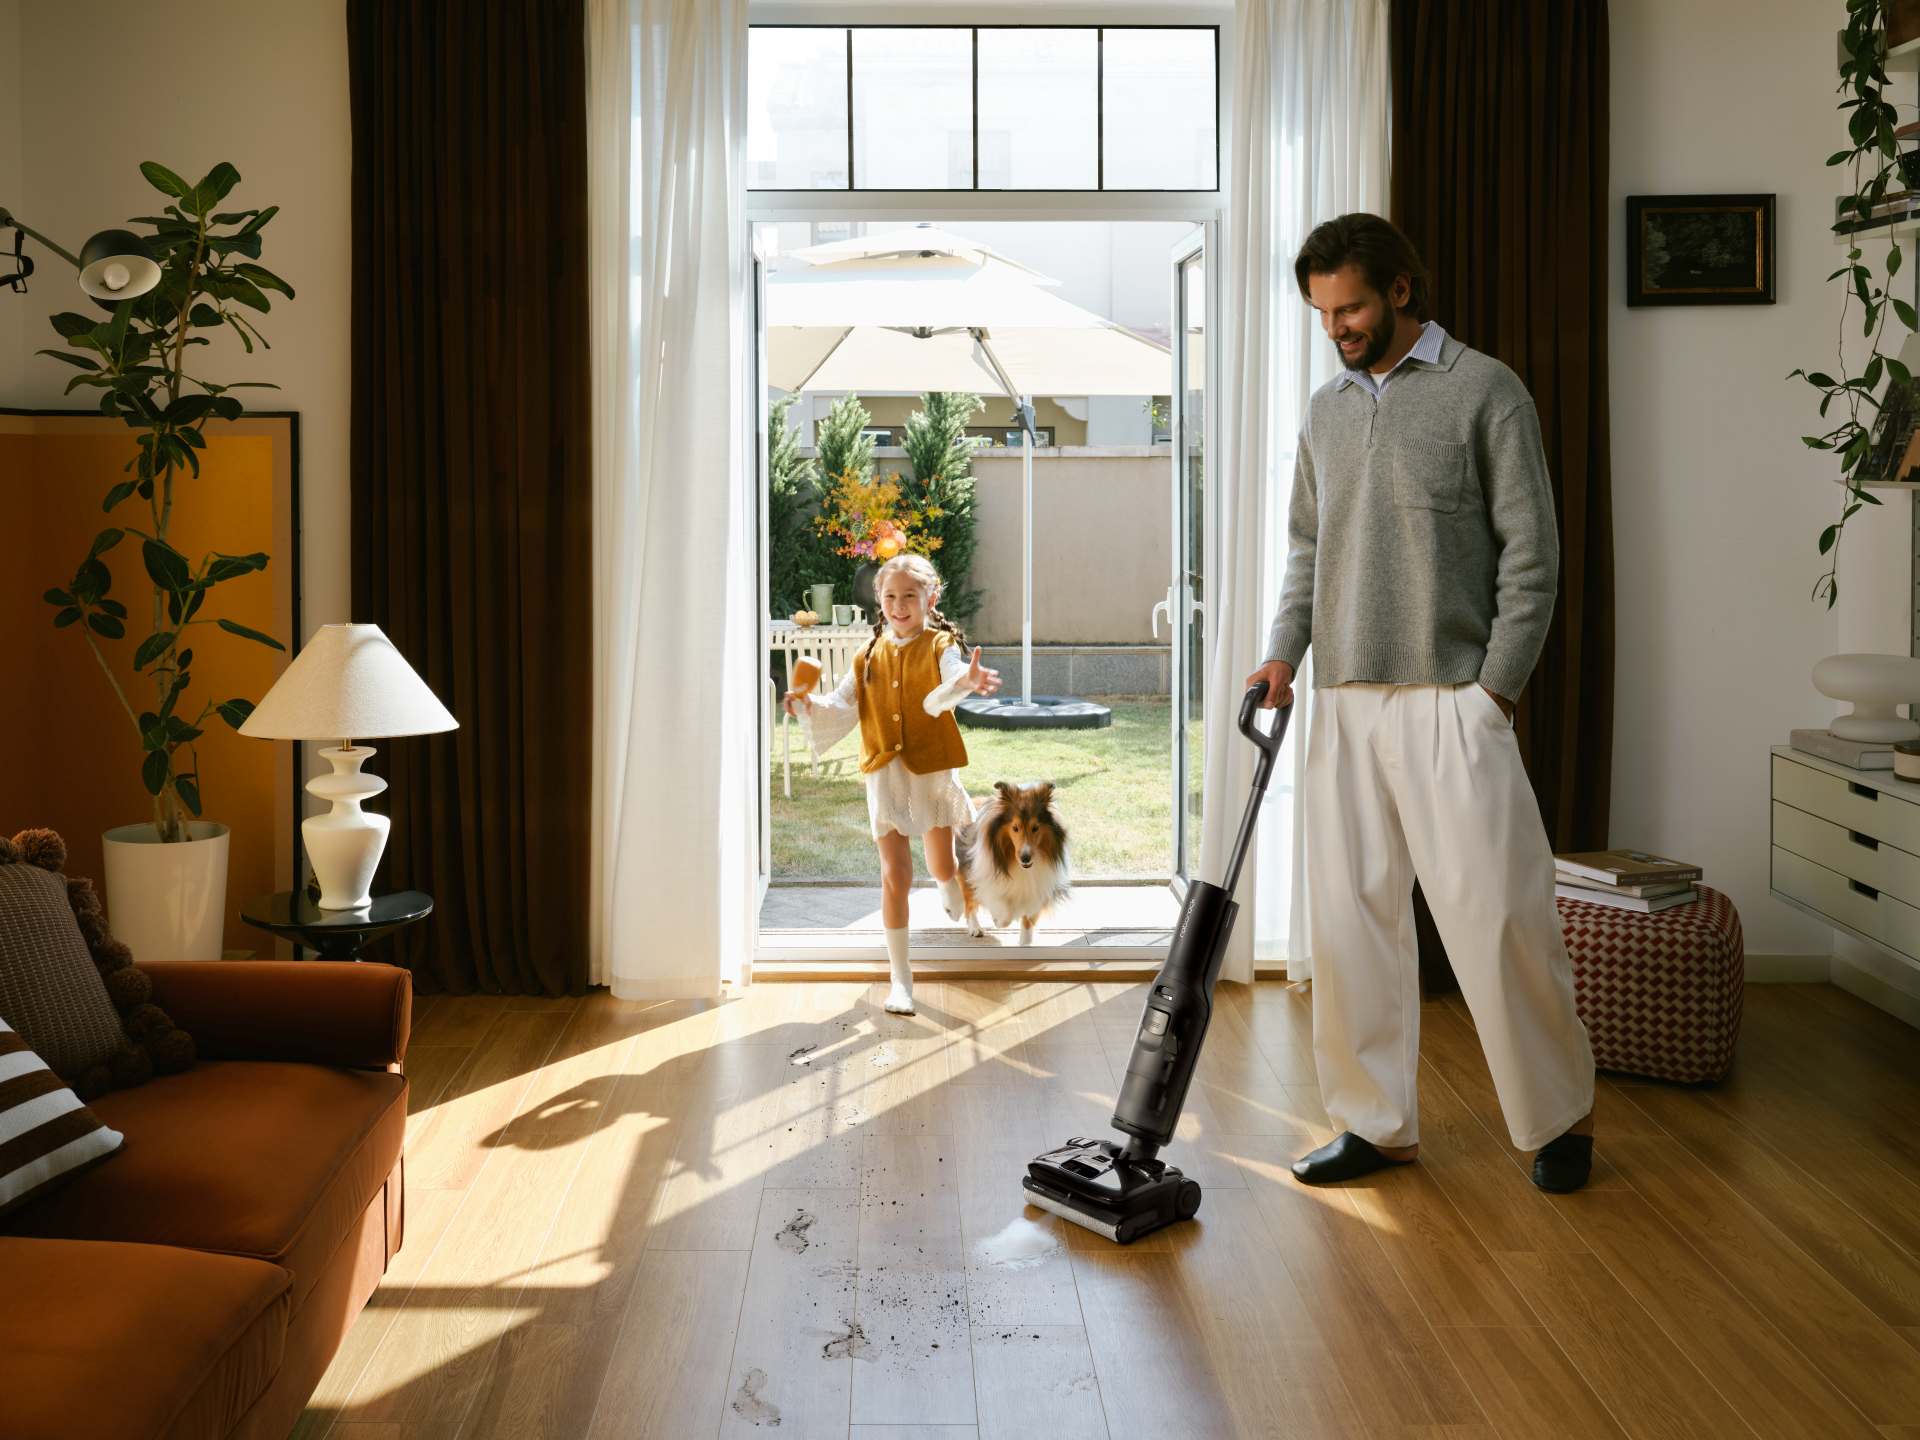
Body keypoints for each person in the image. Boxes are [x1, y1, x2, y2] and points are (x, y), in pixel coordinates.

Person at [1244, 212, 1597, 1194]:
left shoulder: (1488, 393)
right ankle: (1372, 1125)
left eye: (1350, 305)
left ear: (1401, 289)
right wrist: (1283, 656)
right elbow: (1308, 552)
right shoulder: (1326, 410)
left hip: (1454, 700)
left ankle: (1558, 1118)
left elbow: (1535, 556)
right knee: (1351, 925)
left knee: (1499, 918)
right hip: (1346, 698)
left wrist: (1496, 692)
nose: (1337, 327)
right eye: (1322, 312)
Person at [786, 553, 1000, 1014]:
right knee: (895, 875)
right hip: (885, 774)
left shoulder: (942, 646)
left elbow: (941, 692)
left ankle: (948, 884)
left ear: (930, 598)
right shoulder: (866, 656)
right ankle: (900, 980)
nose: (900, 605)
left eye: (910, 596)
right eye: (890, 597)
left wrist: (968, 681)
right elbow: (841, 706)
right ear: (878, 601)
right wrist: (805, 706)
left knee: (941, 863)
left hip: (930, 775)